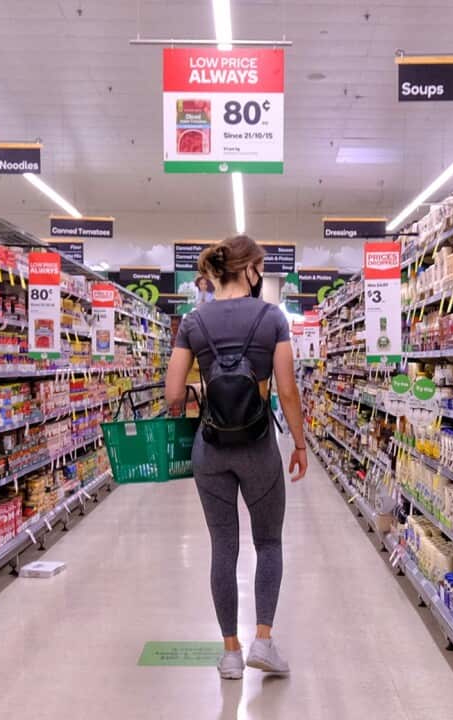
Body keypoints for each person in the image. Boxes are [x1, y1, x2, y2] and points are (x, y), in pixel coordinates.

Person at [164, 235, 308, 680]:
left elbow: (172, 395)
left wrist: (201, 392)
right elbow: (286, 389)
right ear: (248, 270)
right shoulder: (271, 319)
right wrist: (300, 444)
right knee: (268, 542)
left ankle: (230, 652)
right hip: (259, 447)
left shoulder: (193, 322)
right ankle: (263, 640)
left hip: (211, 448)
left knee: (222, 548)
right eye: (259, 268)